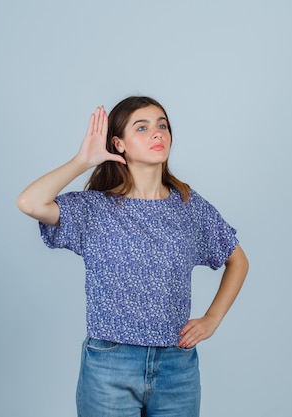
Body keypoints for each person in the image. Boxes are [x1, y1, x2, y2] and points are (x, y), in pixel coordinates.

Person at [17, 96, 249, 416]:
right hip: (110, 365)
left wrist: (213, 319)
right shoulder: (95, 208)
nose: (158, 133)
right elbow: (30, 203)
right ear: (118, 143)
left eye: (162, 125)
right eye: (142, 127)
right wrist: (83, 160)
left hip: (176, 366)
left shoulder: (188, 206)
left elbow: (237, 260)